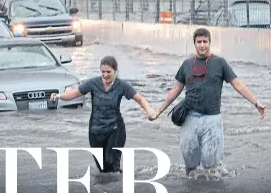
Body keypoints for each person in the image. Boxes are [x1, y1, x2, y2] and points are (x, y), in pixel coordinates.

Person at [150, 28, 266, 177]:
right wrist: (159, 111)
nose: (202, 45)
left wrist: (256, 103)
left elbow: (238, 85)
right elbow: (175, 90)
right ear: (194, 44)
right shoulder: (186, 64)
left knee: (212, 169)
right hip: (189, 119)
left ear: (210, 43)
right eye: (199, 42)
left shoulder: (220, 63)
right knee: (190, 167)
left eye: (205, 42)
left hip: (212, 120)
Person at [50, 56, 156, 173]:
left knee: (111, 163)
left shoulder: (122, 85)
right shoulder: (93, 83)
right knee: (102, 167)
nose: (105, 75)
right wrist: (59, 96)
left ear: (115, 71)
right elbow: (74, 94)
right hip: (95, 130)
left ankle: (117, 187)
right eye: (103, 72)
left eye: (108, 72)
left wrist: (149, 111)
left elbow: (140, 99)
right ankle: (106, 187)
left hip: (115, 129)